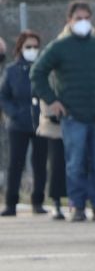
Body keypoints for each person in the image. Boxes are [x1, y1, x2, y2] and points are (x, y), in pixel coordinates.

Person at [32, 1, 95, 222]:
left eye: (87, 18)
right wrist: (52, 101)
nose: (83, 22)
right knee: (75, 162)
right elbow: (37, 73)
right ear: (69, 21)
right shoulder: (59, 47)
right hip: (73, 115)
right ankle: (77, 205)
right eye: (78, 18)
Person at [1, 32, 48, 216]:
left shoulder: (44, 68)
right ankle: (11, 203)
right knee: (16, 163)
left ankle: (38, 201)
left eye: (35, 47)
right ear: (20, 48)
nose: (32, 50)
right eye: (28, 47)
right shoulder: (12, 70)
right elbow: (3, 95)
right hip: (18, 125)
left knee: (40, 163)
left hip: (41, 123)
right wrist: (13, 113)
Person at [36, 102, 67, 220]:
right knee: (56, 165)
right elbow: (42, 91)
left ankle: (77, 204)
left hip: (78, 119)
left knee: (78, 165)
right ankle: (56, 202)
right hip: (54, 125)